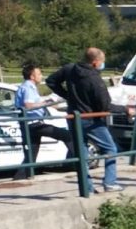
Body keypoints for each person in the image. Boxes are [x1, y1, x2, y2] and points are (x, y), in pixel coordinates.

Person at [47, 46, 124, 192]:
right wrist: (126, 109)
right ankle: (110, 182)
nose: (102, 65)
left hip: (73, 117)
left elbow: (51, 81)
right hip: (90, 118)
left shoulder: (70, 69)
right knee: (110, 148)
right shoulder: (95, 80)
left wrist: (67, 95)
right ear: (95, 62)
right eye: (102, 62)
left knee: (82, 154)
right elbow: (105, 106)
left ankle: (87, 187)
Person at [12, 62, 74, 179]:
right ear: (32, 76)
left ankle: (20, 178)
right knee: (66, 135)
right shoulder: (28, 87)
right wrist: (46, 102)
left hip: (30, 123)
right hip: (33, 123)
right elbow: (29, 105)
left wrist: (49, 104)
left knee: (31, 155)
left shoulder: (27, 87)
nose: (41, 76)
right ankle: (80, 160)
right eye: (39, 74)